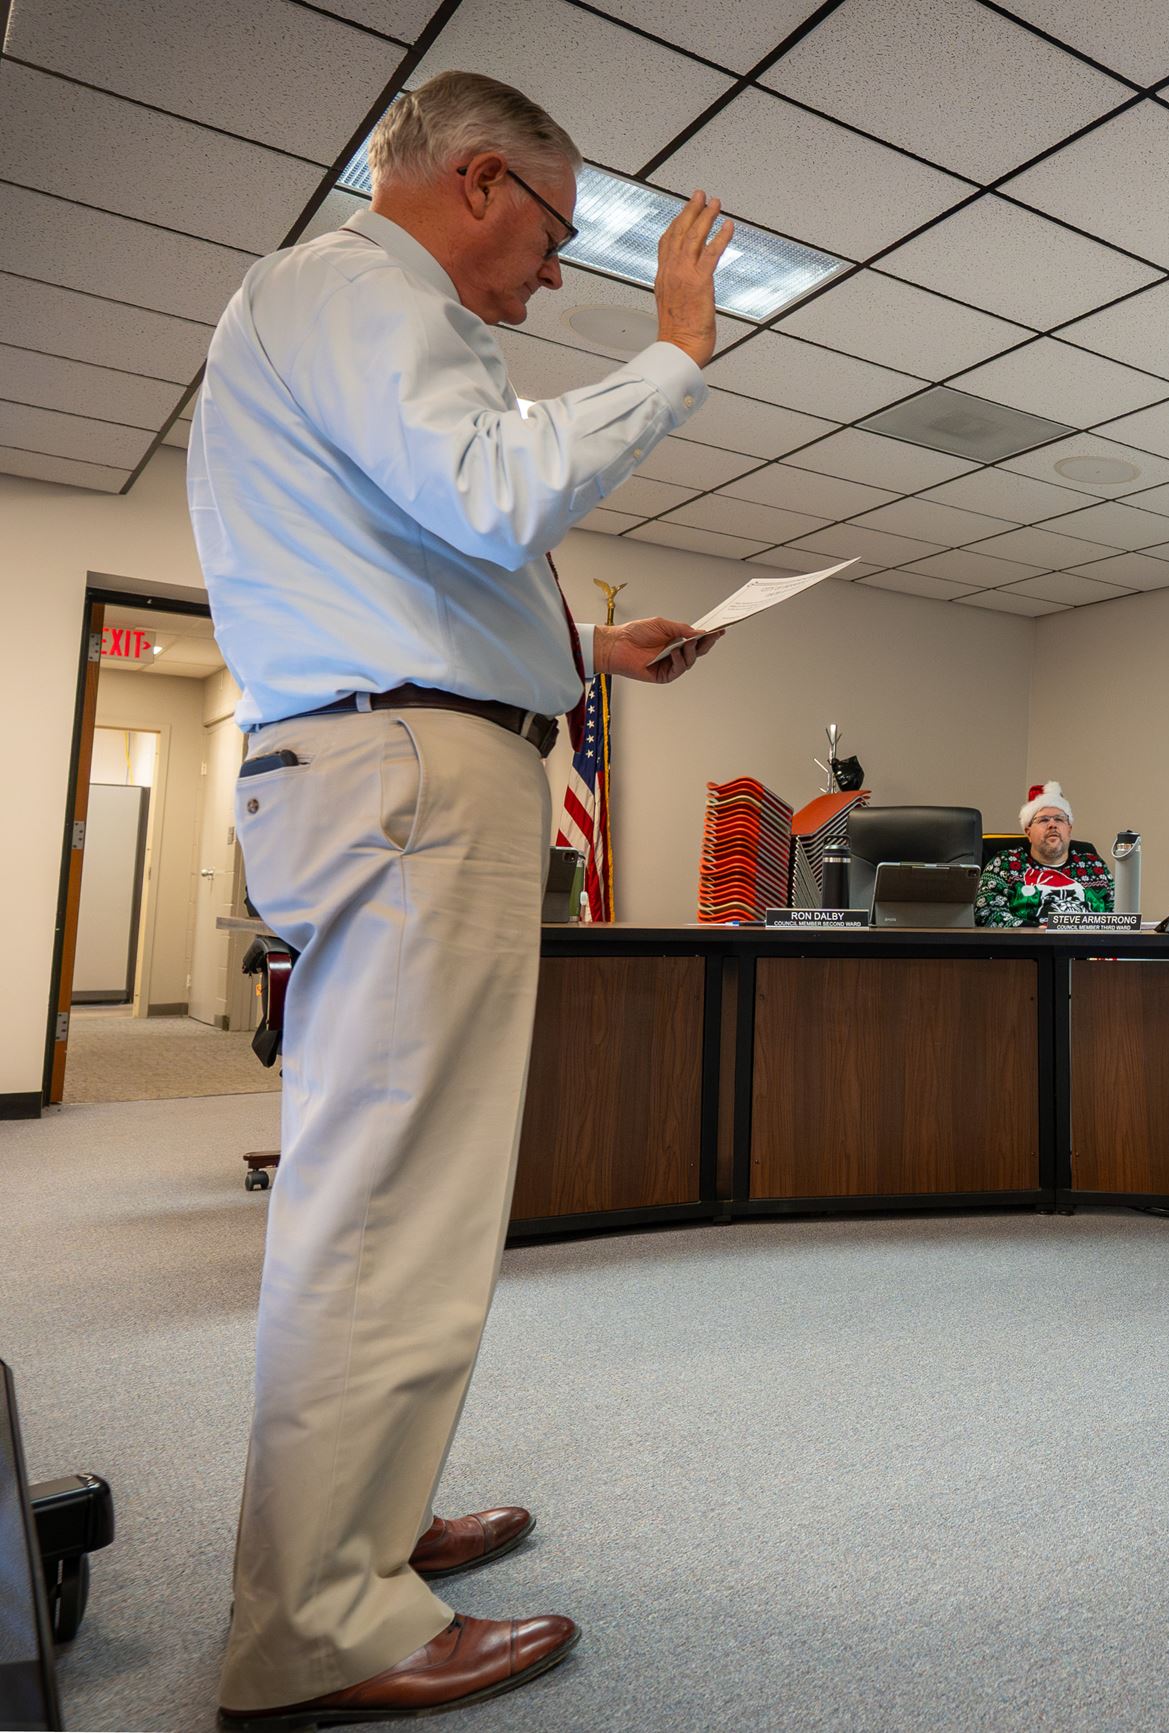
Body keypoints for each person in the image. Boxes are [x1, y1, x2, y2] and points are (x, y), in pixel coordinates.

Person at [190, 72, 735, 1723]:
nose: (555, 273)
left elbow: (423, 551)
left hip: (392, 764)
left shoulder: (334, 310)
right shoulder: (357, 285)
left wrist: (592, 649)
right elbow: (493, 491)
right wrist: (676, 353)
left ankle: (361, 1524)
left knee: (396, 1186)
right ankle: (322, 1620)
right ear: (482, 181)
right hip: (408, 778)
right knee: (389, 1199)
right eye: (555, 233)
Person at [978, 782, 1113, 925]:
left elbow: (1119, 912)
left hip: (1089, 938)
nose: (1052, 825)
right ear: (1028, 832)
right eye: (1043, 820)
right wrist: (1036, 930)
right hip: (1029, 938)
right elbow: (986, 912)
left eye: (1059, 819)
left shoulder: (1095, 866)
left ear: (1069, 829)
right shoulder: (1005, 863)